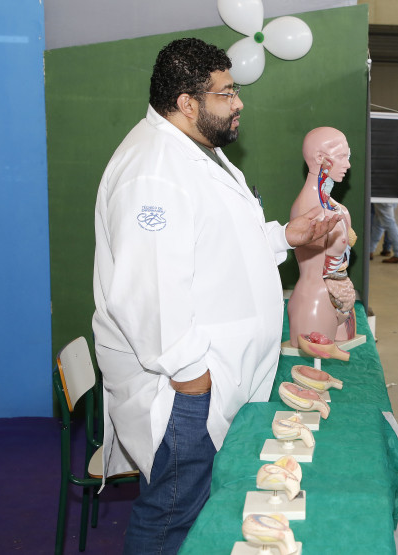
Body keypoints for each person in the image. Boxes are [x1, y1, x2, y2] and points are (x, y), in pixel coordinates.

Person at [91, 38, 341, 554]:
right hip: (183, 391)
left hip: (208, 385)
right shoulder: (153, 174)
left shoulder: (194, 154)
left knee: (197, 514)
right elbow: (146, 293)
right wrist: (192, 379)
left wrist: (282, 238)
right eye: (227, 93)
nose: (239, 102)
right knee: (170, 519)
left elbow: (217, 246)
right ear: (186, 102)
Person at [288, 127, 359, 347]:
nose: (347, 164)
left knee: (338, 374)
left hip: (343, 296)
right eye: (341, 157)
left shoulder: (336, 207)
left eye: (348, 156)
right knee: (314, 373)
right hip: (316, 302)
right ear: (320, 158)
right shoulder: (307, 209)